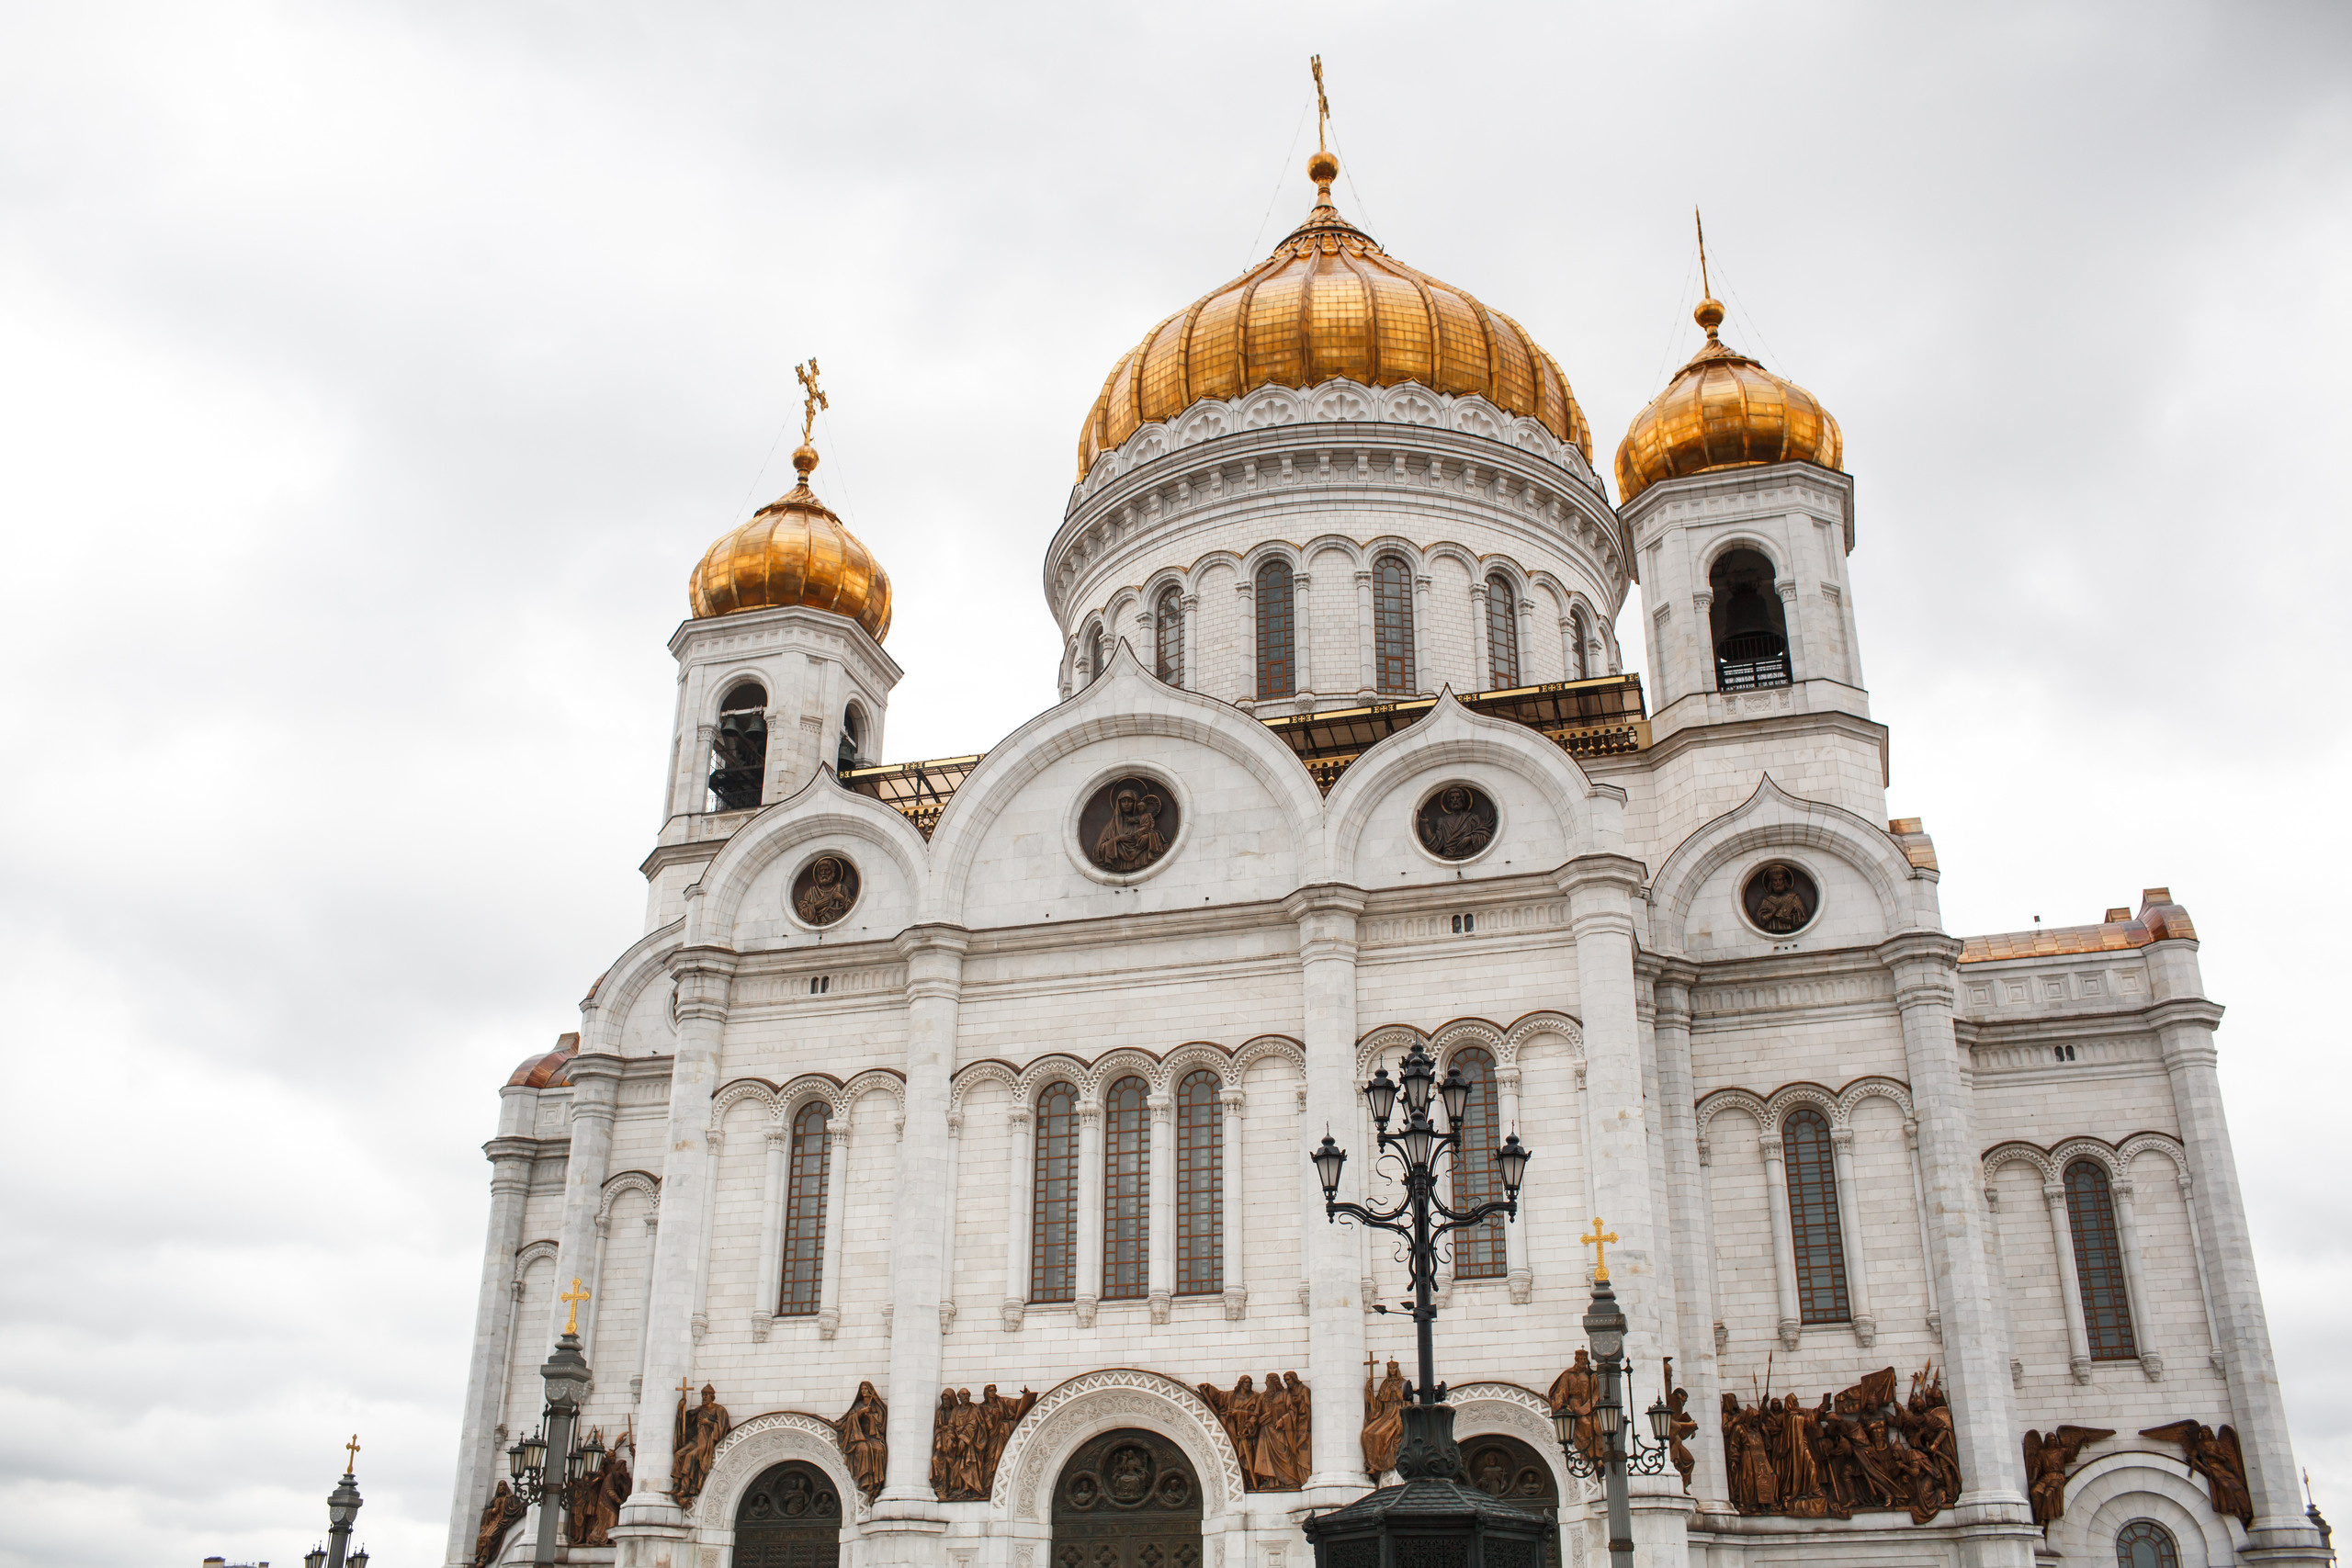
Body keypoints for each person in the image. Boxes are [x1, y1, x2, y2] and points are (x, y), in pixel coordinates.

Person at [840, 1382, 888, 1500]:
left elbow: (881, 1422)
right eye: (862, 1389)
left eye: (866, 1389)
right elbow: (851, 1419)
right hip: (859, 1436)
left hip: (872, 1436)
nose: (864, 1391)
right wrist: (860, 1413)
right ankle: (866, 1480)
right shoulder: (858, 1406)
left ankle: (876, 1482)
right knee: (864, 1448)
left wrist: (873, 1415)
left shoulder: (877, 1406)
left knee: (879, 1449)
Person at [1363, 1361, 1408, 1478]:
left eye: (1394, 1368)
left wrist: (1397, 1392)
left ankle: (1380, 1464)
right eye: (1390, 1368)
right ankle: (1372, 1464)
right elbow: (1377, 1405)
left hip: (1396, 1413)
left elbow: (1407, 1400)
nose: (1392, 1370)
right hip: (1385, 1414)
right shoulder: (1385, 1384)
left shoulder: (1403, 1383)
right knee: (1367, 1432)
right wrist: (1368, 1391)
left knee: (1379, 1434)